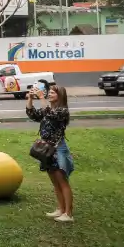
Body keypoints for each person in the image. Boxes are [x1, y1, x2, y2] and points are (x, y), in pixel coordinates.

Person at [26, 84, 74, 222]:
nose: (50, 94)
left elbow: (48, 113)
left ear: (60, 96)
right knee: (55, 181)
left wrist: (41, 98)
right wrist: (30, 99)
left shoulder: (62, 111)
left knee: (62, 181)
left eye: (53, 92)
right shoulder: (50, 109)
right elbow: (33, 114)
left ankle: (68, 213)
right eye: (50, 92)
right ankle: (60, 209)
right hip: (47, 149)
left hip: (57, 149)